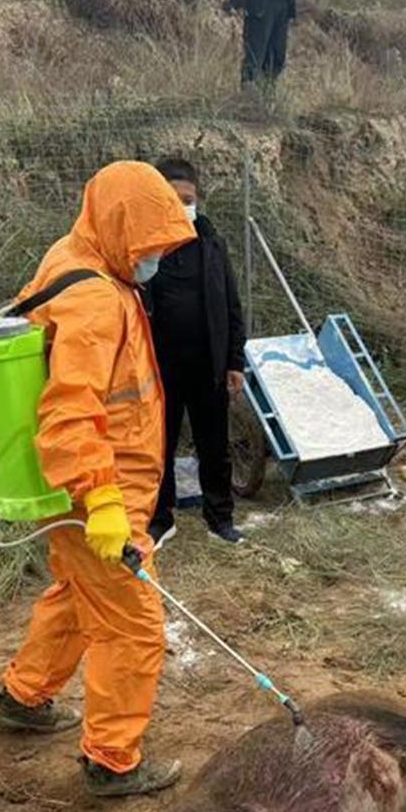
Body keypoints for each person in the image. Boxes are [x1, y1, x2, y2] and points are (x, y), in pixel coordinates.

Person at [0, 162, 197, 798]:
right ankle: (112, 760)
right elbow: (70, 408)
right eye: (150, 245)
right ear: (120, 226)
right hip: (100, 493)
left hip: (78, 489)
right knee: (134, 627)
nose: (155, 257)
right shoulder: (95, 299)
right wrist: (105, 500)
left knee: (79, 596)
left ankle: (24, 697)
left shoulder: (76, 256)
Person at [141, 156, 247, 548]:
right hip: (159, 369)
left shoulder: (211, 243)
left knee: (214, 446)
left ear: (198, 199)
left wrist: (235, 360)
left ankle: (220, 518)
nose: (182, 205)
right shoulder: (145, 248)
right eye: (172, 199)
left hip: (209, 367)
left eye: (188, 198)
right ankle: (159, 518)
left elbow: (232, 304)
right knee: (158, 448)